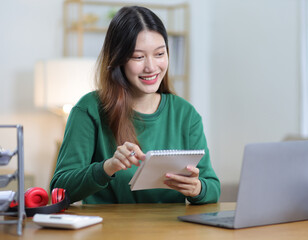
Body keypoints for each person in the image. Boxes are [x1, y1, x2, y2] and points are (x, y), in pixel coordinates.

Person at [50, 6, 220, 204]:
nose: (151, 67)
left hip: (170, 232)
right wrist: (108, 167)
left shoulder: (185, 114)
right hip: (107, 232)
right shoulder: (89, 109)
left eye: (159, 54)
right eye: (138, 57)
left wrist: (198, 189)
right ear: (118, 59)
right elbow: (59, 189)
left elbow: (213, 187)